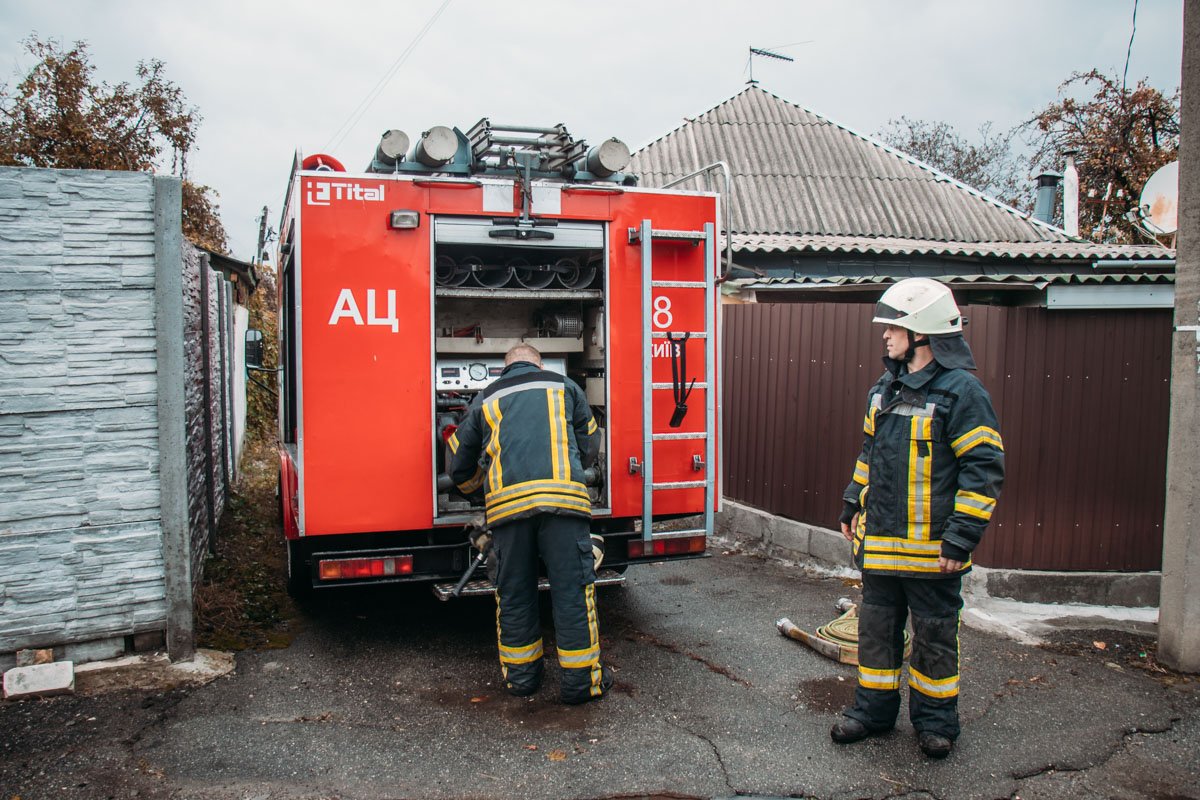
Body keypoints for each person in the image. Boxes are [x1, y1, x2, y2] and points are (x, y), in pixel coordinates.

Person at [832, 278, 1004, 759]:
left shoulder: (962, 393)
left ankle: (935, 723)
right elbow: (869, 453)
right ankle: (872, 713)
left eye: (895, 328)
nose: (886, 336)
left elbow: (984, 468)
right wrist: (851, 501)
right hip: (882, 548)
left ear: (923, 334)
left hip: (934, 556)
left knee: (934, 641)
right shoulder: (883, 390)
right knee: (877, 636)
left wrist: (961, 538)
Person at [448, 343, 612, 704]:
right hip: (564, 508)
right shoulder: (566, 387)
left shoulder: (484, 399)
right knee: (573, 593)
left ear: (504, 368)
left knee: (515, 595)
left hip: (508, 515)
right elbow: (589, 441)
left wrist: (479, 490)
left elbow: (458, 464)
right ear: (539, 364)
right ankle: (581, 686)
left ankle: (522, 681)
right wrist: (571, 469)